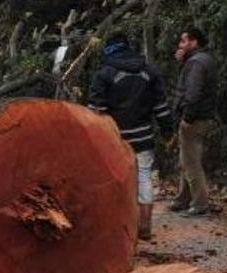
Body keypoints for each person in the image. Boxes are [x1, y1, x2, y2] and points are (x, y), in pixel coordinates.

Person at [87, 32, 173, 240]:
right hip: (143, 137)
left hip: (114, 139)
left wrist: (93, 140)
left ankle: (116, 227)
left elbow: (96, 110)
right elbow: (161, 107)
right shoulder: (149, 72)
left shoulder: (105, 74)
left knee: (113, 179)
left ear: (109, 50)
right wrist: (167, 131)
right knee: (143, 175)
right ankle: (145, 225)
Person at [170, 27, 217, 216]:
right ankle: (183, 199)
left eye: (183, 41)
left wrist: (187, 117)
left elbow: (193, 92)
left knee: (191, 163)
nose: (180, 45)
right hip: (203, 116)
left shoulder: (196, 63)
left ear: (194, 42)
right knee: (186, 159)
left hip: (195, 119)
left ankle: (200, 203)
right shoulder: (203, 60)